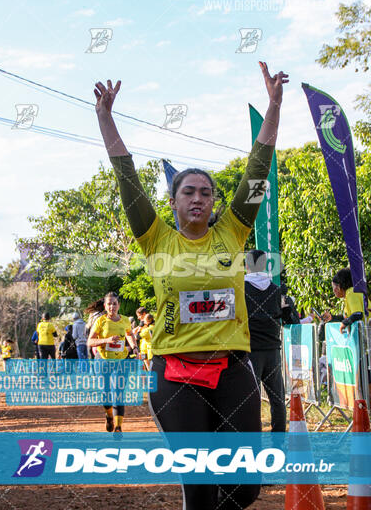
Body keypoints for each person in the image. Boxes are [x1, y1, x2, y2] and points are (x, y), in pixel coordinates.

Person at [93, 61, 288, 509]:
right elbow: (126, 179)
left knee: (244, 487)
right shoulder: (154, 235)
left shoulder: (233, 232)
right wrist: (105, 118)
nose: (198, 197)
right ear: (173, 201)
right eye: (189, 192)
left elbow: (257, 172)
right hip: (175, 373)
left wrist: (274, 106)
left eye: (206, 192)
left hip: (233, 369)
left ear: (216, 202)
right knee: (199, 487)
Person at [244, 250, 286, 432]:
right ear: (264, 265)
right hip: (273, 350)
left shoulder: (240, 289)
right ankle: (279, 441)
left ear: (246, 266)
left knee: (250, 400)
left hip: (250, 350)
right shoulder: (276, 290)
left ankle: (254, 441)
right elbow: (284, 314)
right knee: (277, 398)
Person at [88, 291, 139, 433]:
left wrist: (134, 347)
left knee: (119, 392)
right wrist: (106, 340)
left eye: (114, 304)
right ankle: (109, 416)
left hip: (121, 361)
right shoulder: (100, 321)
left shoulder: (125, 320)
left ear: (119, 305)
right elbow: (90, 341)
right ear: (105, 306)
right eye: (109, 304)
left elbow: (129, 334)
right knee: (106, 393)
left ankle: (118, 427)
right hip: (103, 361)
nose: (112, 307)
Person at [332, 268, 370, 333]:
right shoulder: (349, 295)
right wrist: (332, 318)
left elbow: (358, 314)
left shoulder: (352, 292)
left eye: (333, 287)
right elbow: (348, 316)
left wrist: (345, 323)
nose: (333, 290)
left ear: (339, 286)